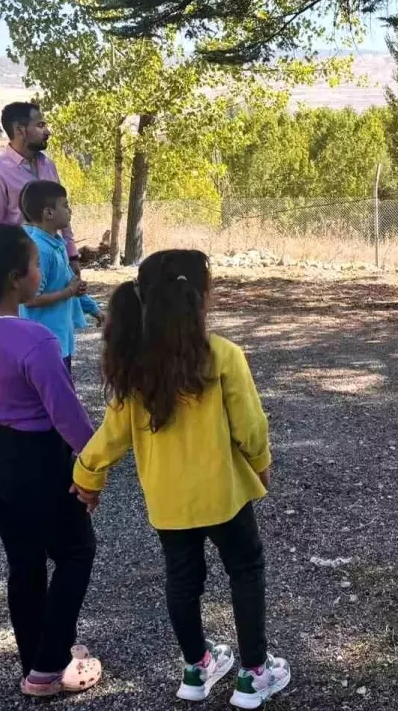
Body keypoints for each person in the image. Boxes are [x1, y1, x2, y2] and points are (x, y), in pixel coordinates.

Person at [71, 250, 290, 708]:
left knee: (182, 581)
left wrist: (88, 475)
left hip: (168, 502)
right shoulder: (223, 356)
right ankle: (253, 673)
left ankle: (197, 668)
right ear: (197, 298)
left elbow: (112, 434)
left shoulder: (135, 365)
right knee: (246, 570)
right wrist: (261, 461)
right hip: (224, 495)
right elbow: (250, 425)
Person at [0, 224, 102, 698]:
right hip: (37, 461)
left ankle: (39, 658)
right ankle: (48, 669)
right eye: (34, 264)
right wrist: (95, 468)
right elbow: (66, 415)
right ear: (16, 278)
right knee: (75, 552)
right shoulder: (34, 340)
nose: (39, 272)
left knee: (24, 560)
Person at [0, 102, 79, 273]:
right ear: (19, 129)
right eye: (40, 125)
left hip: (58, 261)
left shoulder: (48, 165)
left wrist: (72, 256)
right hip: (23, 269)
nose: (47, 132)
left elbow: (61, 209)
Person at [19, 180, 102, 377]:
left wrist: (93, 309)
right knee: (54, 400)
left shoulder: (57, 244)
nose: (70, 211)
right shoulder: (40, 250)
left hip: (61, 340)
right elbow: (30, 300)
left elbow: (69, 284)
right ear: (48, 213)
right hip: (44, 343)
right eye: (65, 205)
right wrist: (68, 292)